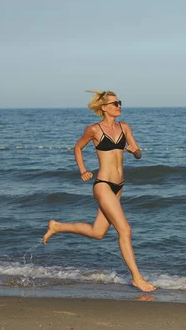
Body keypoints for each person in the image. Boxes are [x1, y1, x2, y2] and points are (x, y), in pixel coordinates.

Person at [43, 90, 156, 292]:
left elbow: (138, 153)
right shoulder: (94, 130)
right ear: (104, 107)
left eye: (119, 103)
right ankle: (137, 278)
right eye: (114, 104)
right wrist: (83, 170)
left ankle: (58, 226)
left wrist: (134, 151)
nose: (119, 106)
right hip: (103, 184)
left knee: (98, 232)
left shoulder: (125, 127)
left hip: (119, 186)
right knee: (125, 230)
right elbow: (78, 148)